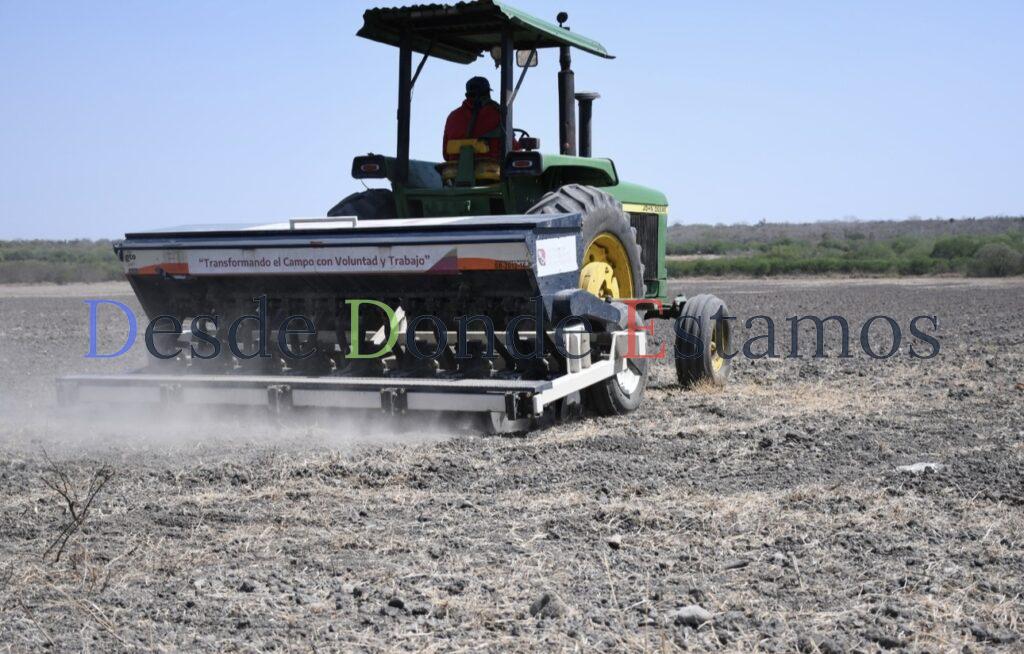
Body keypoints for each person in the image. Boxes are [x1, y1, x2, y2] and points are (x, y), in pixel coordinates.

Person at [442, 76, 503, 160]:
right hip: (490, 171)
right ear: (487, 93)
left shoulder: (452, 117)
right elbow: (511, 146)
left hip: (455, 172)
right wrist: (521, 145)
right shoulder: (497, 114)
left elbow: (445, 154)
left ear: (467, 95)